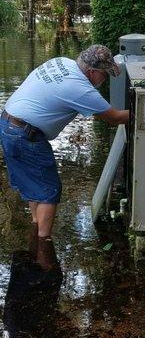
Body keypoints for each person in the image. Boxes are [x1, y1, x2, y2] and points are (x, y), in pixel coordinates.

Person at [0, 44, 129, 256]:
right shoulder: (80, 88)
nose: (104, 81)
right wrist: (143, 111)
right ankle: (43, 252)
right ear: (92, 72)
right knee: (49, 192)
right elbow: (113, 118)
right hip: (26, 135)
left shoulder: (61, 62)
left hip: (8, 124)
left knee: (35, 186)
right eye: (104, 76)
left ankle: (36, 230)